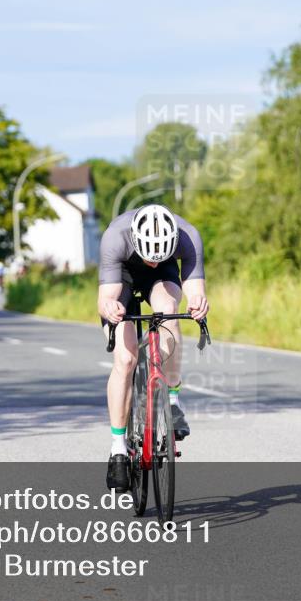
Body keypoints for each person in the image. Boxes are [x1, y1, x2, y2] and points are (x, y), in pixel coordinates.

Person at [98, 204, 209, 491]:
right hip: (121, 277)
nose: (151, 261)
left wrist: (197, 303)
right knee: (125, 359)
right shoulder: (115, 237)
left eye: (157, 256)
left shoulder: (188, 236)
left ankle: (172, 401)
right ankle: (118, 448)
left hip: (162, 279)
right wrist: (111, 308)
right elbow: (106, 298)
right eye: (148, 256)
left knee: (170, 311)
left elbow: (195, 289)